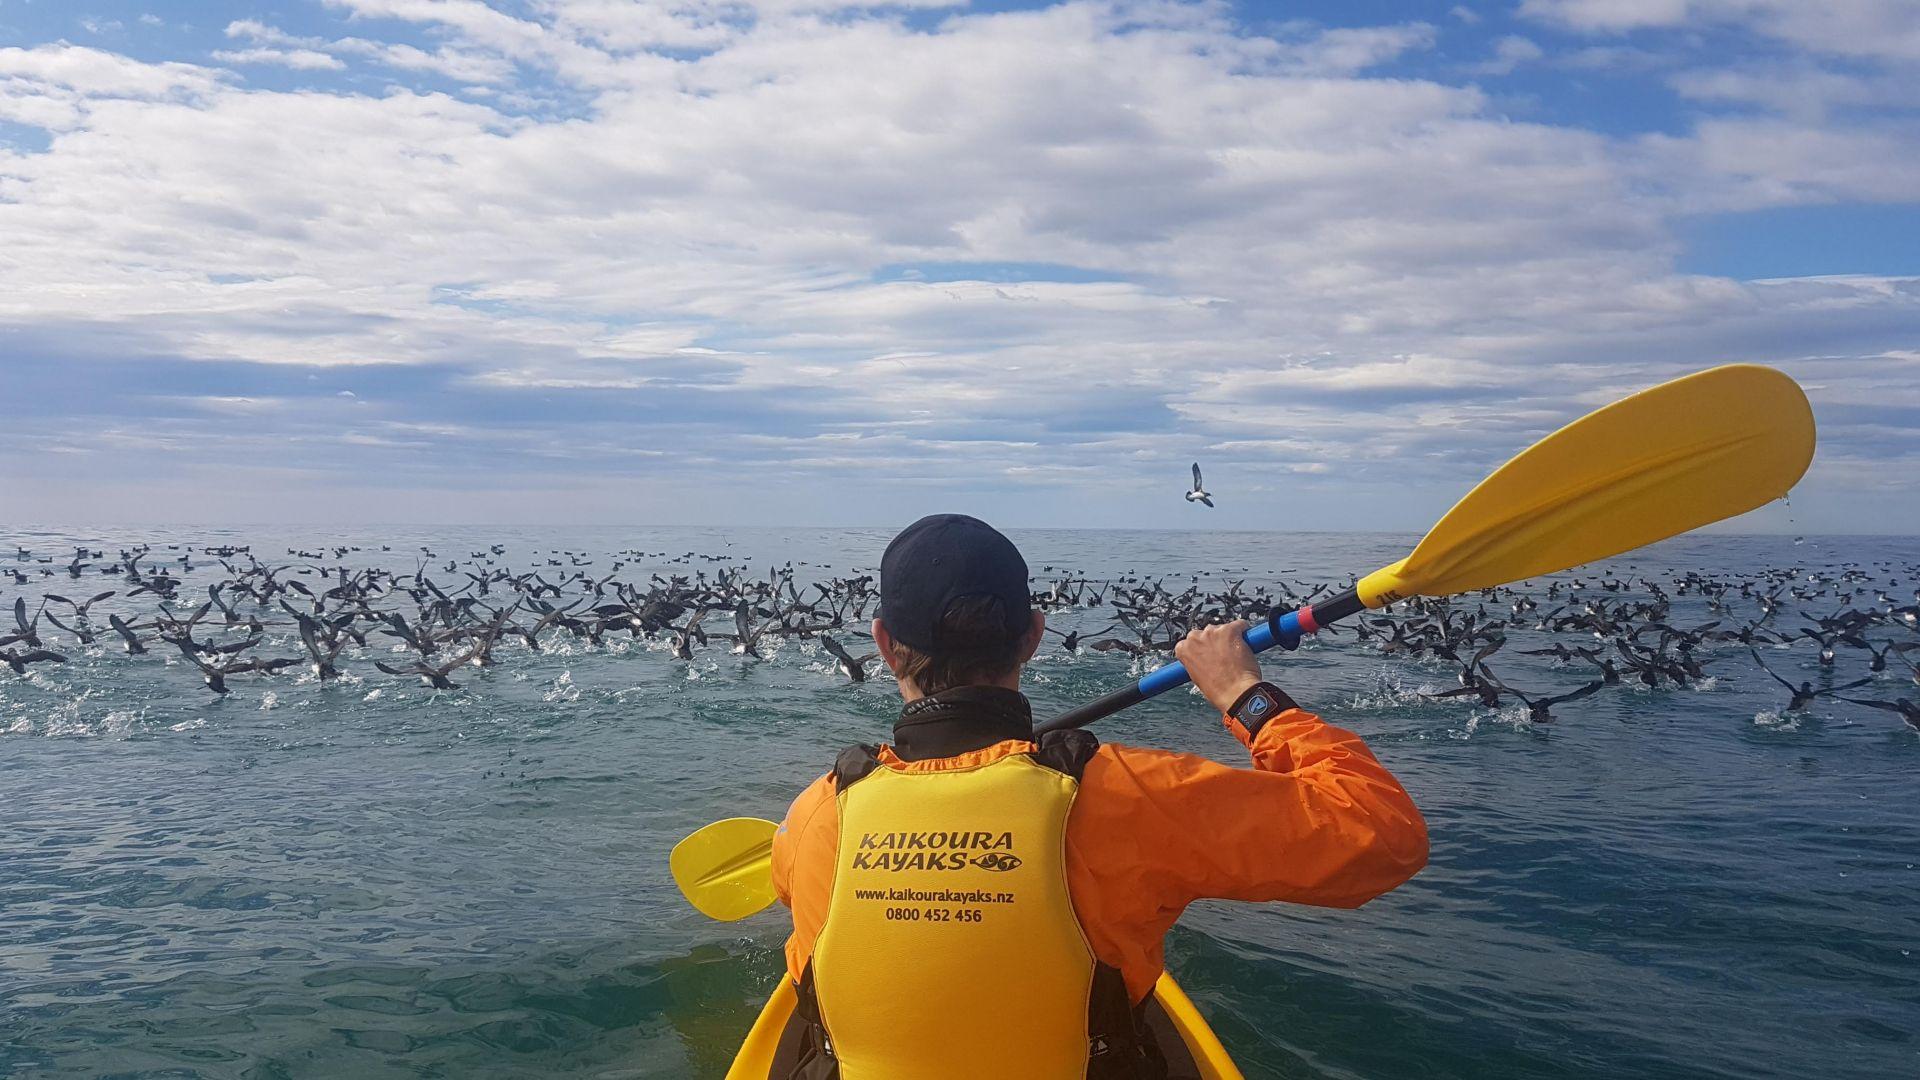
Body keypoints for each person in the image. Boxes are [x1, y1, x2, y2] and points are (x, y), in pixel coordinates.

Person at [768, 514, 1427, 1078]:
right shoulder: (1127, 795)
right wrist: (1244, 696)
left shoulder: (818, 812)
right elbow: (1380, 835)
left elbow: (789, 883)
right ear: (1033, 633)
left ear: (884, 646)